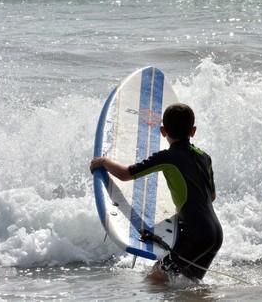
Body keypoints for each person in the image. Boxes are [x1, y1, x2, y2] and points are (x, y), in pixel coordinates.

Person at [90, 103, 223, 283]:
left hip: (196, 235)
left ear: (163, 131)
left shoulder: (168, 157)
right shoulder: (205, 157)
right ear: (193, 131)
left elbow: (125, 174)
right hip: (215, 235)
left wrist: (104, 162)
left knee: (156, 279)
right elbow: (212, 196)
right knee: (190, 285)